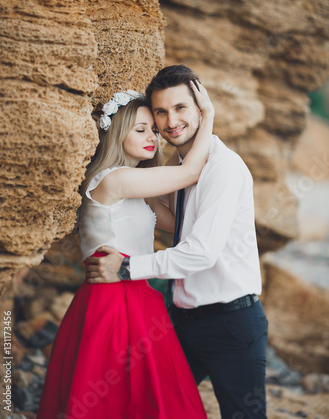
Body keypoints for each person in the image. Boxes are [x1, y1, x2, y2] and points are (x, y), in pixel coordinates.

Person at [86, 65, 268, 419]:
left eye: (181, 108)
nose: (171, 121)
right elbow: (176, 222)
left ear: (201, 108)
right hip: (183, 321)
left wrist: (125, 268)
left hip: (231, 322)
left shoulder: (222, 169)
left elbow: (200, 252)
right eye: (161, 112)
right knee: (153, 406)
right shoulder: (184, 163)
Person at [37, 83, 214, 419]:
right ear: (118, 134)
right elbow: (190, 173)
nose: (153, 137)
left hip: (136, 294)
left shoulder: (131, 186)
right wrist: (207, 117)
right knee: (115, 399)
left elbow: (177, 223)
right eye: (141, 129)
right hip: (113, 300)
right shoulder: (113, 180)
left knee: (143, 396)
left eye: (153, 130)